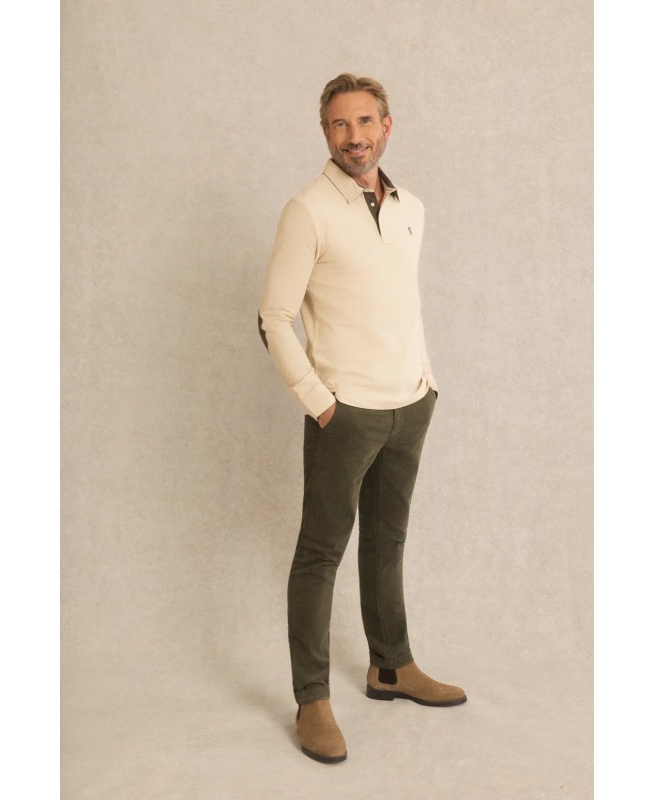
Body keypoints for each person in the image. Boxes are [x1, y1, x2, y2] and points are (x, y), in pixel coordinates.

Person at [258, 73, 466, 765]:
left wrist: (426, 382)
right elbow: (274, 317)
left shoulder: (412, 208)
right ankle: (312, 699)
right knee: (321, 554)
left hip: (411, 403)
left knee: (387, 542)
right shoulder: (308, 210)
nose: (355, 136)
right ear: (325, 133)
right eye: (340, 124)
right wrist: (319, 401)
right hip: (344, 413)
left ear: (387, 126)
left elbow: (397, 301)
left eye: (366, 121)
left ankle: (391, 666)